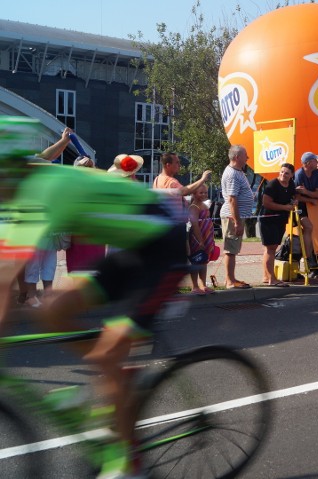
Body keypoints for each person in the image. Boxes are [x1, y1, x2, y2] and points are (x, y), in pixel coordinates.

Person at [0, 116, 186, 479]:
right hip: (132, 247)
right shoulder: (21, 197)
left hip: (164, 245)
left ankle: (132, 463)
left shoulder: (46, 190)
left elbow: (7, 283)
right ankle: (115, 377)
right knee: (52, 311)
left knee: (107, 353)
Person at [220, 145, 255, 289]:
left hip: (235, 216)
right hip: (231, 216)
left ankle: (231, 278)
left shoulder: (238, 172)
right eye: (245, 155)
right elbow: (232, 199)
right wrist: (237, 222)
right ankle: (229, 280)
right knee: (231, 249)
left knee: (233, 249)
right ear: (236, 157)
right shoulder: (233, 174)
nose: (247, 158)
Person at [259, 163, 297, 287]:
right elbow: (266, 203)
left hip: (280, 219)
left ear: (291, 175)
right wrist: (285, 207)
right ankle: (272, 279)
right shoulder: (273, 184)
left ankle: (266, 276)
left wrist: (294, 201)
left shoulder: (291, 184)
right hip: (268, 219)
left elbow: (293, 195)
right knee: (270, 248)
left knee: (271, 248)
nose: (283, 175)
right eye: (281, 172)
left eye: (286, 173)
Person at [294, 152, 318, 278]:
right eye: (315, 160)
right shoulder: (299, 174)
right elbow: (297, 196)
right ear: (308, 163)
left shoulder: (317, 173)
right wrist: (310, 198)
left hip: (311, 206)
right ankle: (308, 258)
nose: (317, 163)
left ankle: (313, 261)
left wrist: (307, 192)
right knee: (309, 227)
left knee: (315, 230)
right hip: (300, 206)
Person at [187, 184, 216, 295]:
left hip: (206, 236)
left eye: (205, 192)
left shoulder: (204, 205)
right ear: (194, 193)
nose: (204, 194)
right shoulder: (194, 207)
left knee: (204, 261)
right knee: (196, 260)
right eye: (201, 192)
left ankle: (203, 284)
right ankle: (195, 286)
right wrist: (200, 241)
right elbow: (195, 225)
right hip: (197, 238)